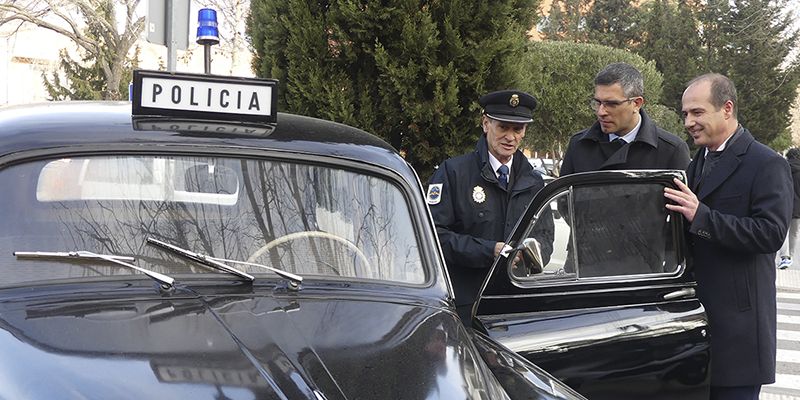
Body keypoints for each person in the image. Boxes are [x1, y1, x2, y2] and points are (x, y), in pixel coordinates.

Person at [664, 73, 792, 400]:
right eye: (685, 115)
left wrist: (701, 216)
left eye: (697, 112)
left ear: (727, 109)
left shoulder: (765, 164)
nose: (689, 122)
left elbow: (770, 234)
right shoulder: (696, 163)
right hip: (696, 330)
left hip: (740, 336)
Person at [428, 89, 553, 323]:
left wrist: (534, 255)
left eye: (518, 129)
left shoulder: (534, 181)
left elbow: (546, 236)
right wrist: (488, 251)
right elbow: (434, 237)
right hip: (465, 305)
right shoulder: (454, 173)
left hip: (515, 303)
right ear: (486, 124)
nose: (510, 137)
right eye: (503, 127)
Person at [559, 62, 690, 176]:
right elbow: (564, 202)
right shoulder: (579, 145)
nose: (601, 112)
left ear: (636, 103)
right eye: (598, 102)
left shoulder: (671, 151)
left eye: (612, 104)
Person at [778, 147, 800, 269]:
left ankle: (784, 257)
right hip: (798, 208)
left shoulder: (784, 168)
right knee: (794, 233)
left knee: (784, 231)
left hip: (784, 204)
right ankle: (791, 256)